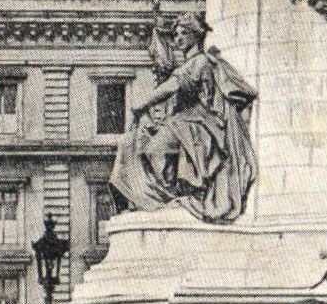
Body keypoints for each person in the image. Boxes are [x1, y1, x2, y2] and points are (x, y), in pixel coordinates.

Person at [110, 16, 257, 224]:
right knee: (141, 139)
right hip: (188, 120)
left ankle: (168, 195)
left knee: (155, 148)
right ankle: (156, 195)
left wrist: (140, 105)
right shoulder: (190, 63)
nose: (177, 39)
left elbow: (172, 87)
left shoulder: (199, 62)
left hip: (204, 124)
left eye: (183, 34)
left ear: (196, 36)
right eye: (176, 34)